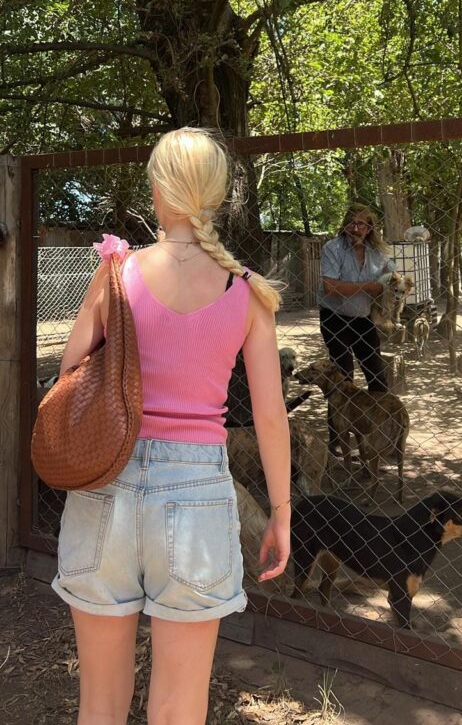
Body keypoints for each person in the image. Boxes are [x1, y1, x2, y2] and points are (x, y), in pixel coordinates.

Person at [51, 127, 291, 725]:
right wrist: (281, 511)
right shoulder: (249, 294)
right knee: (179, 709)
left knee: (99, 705)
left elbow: (69, 371)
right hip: (199, 500)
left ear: (159, 189)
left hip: (104, 485)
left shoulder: (118, 272)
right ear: (216, 196)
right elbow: (268, 414)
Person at [318, 203, 396, 399]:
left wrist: (396, 282)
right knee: (343, 378)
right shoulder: (333, 248)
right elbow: (331, 287)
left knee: (377, 375)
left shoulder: (378, 252)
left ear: (369, 228)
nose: (355, 229)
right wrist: (368, 287)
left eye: (361, 224)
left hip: (363, 317)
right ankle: (338, 428)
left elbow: (394, 275)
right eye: (351, 223)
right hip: (335, 317)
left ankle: (380, 422)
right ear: (344, 225)